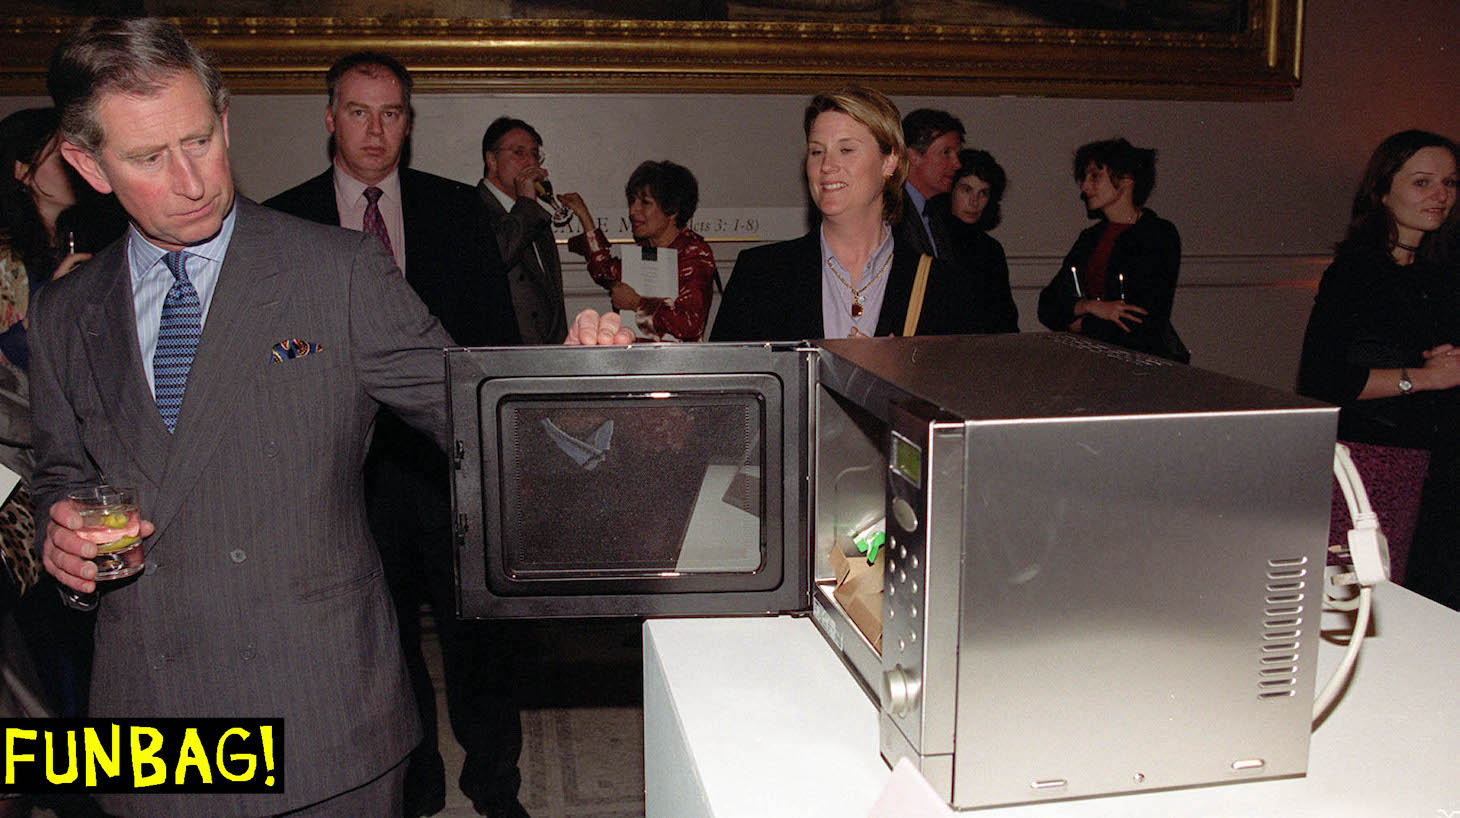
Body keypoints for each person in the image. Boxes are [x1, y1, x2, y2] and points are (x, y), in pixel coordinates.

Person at [33, 18, 632, 816]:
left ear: (224, 118)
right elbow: (61, 473)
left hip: (317, 714)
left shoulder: (337, 270)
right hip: (149, 729)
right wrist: (61, 534)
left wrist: (583, 375)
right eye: (148, 158)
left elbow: (480, 418)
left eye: (201, 140)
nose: (191, 181)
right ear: (88, 165)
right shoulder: (66, 311)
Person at [264, 52, 526, 818]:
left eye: (391, 114)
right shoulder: (285, 220)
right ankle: (412, 790)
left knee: (478, 643)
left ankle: (496, 788)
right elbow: (277, 349)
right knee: (382, 651)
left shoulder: (454, 209)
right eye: (357, 111)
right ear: (329, 119)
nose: (374, 130)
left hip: (453, 472)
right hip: (345, 477)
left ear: (408, 125)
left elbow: (490, 341)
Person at [1297, 129, 1460, 610]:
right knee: (1370, 601)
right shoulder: (1356, 272)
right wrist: (1425, 376)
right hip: (1377, 461)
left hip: (1439, 462)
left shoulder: (1439, 272)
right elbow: (1324, 381)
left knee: (1427, 600)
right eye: (1423, 182)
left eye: (1450, 183)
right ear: (1383, 191)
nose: (1440, 196)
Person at [710, 86, 982, 342]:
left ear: (889, 162)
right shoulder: (761, 274)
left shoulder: (941, 285)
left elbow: (963, 388)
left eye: (846, 150)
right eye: (817, 151)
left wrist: (900, 375)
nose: (826, 166)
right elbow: (724, 387)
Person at [1036, 137, 1186, 361]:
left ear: (1126, 179)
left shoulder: (1157, 235)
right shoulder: (1090, 238)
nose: (1085, 186)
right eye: (1085, 177)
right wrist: (1092, 307)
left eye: (1095, 176)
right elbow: (1047, 305)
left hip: (1140, 366)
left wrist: (1078, 320)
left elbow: (1142, 322)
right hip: (1093, 361)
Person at [560, 160, 716, 342]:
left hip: (676, 365)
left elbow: (690, 324)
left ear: (672, 209)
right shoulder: (645, 249)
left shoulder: (694, 252)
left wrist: (636, 303)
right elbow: (604, 271)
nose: (633, 210)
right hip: (637, 359)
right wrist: (584, 215)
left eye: (645, 202)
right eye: (632, 200)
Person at [479, 116, 570, 345]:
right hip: (502, 355)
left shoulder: (534, 213)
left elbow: (552, 297)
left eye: (534, 154)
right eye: (519, 153)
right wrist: (527, 203)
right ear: (492, 160)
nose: (530, 162)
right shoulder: (472, 208)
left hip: (546, 357)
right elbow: (496, 258)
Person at [933, 148, 1019, 333]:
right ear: (951, 190)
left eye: (983, 193)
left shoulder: (991, 249)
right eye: (967, 190)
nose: (974, 202)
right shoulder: (931, 238)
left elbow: (1005, 317)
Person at [896, 108, 964, 259]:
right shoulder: (892, 213)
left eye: (957, 155)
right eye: (946, 153)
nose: (957, 164)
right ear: (913, 156)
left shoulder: (937, 213)